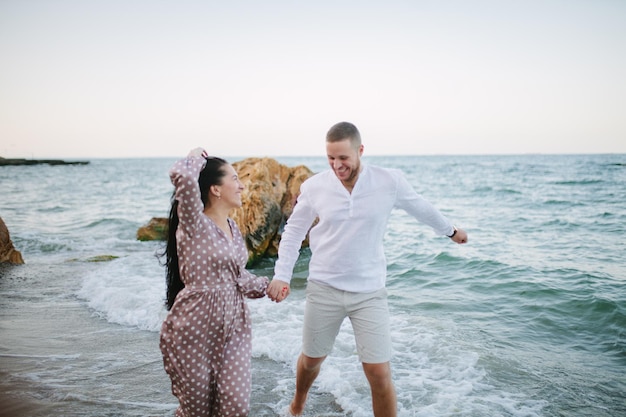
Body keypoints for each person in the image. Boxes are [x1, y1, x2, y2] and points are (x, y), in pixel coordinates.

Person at [267, 122, 468, 417]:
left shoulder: (389, 181)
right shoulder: (315, 187)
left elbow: (420, 207)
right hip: (324, 287)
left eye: (344, 158)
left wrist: (450, 231)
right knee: (311, 361)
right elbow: (294, 231)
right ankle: (298, 402)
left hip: (369, 291)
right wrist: (282, 275)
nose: (337, 165)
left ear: (360, 150)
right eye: (330, 158)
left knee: (378, 371)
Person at [159, 147, 269, 417]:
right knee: (197, 410)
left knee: (236, 407)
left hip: (235, 325)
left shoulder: (233, 229)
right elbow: (181, 176)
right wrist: (197, 157)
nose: (242, 186)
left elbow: (237, 277)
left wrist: (269, 286)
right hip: (195, 327)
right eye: (234, 179)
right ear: (215, 189)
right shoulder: (193, 222)